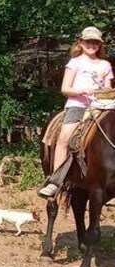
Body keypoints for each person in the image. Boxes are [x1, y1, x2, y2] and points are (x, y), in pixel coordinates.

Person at [39, 26, 113, 199]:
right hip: (78, 105)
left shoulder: (105, 65)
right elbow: (65, 88)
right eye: (88, 42)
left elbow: (108, 89)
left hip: (102, 105)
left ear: (100, 45)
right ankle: (55, 181)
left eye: (95, 42)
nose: (92, 45)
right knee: (64, 138)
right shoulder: (75, 62)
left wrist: (105, 92)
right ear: (81, 42)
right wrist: (83, 91)